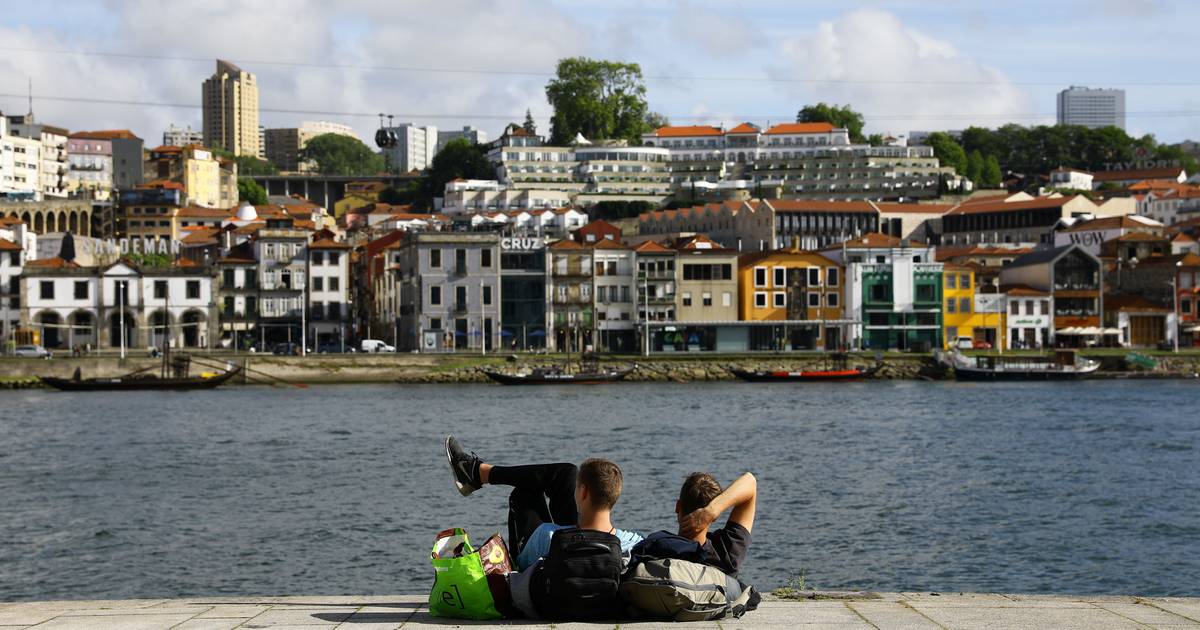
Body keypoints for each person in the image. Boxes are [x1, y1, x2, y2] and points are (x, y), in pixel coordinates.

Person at [444, 436, 643, 617]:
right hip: (590, 556)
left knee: (528, 491)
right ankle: (476, 472)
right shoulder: (634, 543)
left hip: (556, 561)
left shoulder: (546, 537)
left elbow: (527, 562)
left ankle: (478, 472)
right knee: (566, 474)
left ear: (582, 493)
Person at [672, 471, 757, 577]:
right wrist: (712, 510)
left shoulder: (657, 549)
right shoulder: (726, 554)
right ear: (714, 518)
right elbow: (750, 481)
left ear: (677, 506)